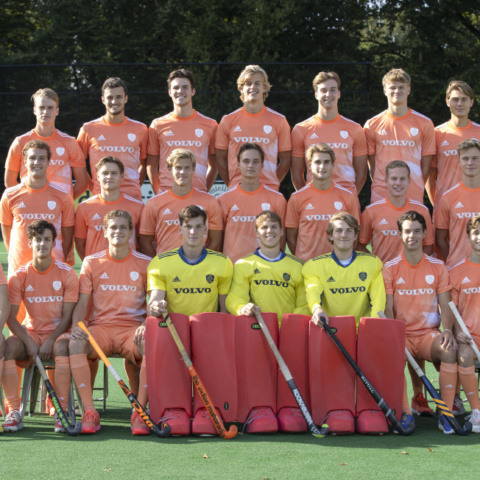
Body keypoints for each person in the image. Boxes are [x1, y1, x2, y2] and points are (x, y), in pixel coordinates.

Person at [147, 205, 233, 435]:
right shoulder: (160, 263)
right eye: (188, 227)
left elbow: (224, 309)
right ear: (180, 229)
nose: (193, 232)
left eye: (198, 227)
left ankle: (207, 410)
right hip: (174, 332)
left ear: (206, 230)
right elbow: (154, 301)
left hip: (207, 333)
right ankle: (175, 410)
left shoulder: (223, 263)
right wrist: (155, 306)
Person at [69, 210, 152, 435]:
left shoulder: (146, 263)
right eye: (113, 227)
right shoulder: (91, 262)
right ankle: (89, 411)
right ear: (105, 232)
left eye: (123, 227)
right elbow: (82, 302)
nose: (118, 231)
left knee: (150, 342)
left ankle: (140, 411)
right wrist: (77, 327)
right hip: (101, 330)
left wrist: (147, 324)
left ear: (131, 232)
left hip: (132, 330)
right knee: (75, 343)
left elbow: (153, 303)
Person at [384, 211, 458, 434]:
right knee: (392, 358)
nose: (412, 236)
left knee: (448, 351)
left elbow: (445, 304)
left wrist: (447, 331)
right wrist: (392, 336)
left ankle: (446, 413)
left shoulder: (437, 266)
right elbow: (388, 309)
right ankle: (406, 413)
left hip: (428, 334)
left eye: (417, 231)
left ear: (425, 233)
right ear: (400, 234)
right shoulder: (390, 268)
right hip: (402, 335)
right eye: (407, 231)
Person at [1, 221, 78, 433]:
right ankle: (14, 411)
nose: (42, 244)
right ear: (30, 243)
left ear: (54, 243)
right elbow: (10, 318)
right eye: (38, 240)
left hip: (59, 334)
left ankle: (61, 411)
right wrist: (28, 342)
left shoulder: (67, 273)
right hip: (32, 334)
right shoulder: (19, 276)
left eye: (47, 239)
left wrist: (51, 340)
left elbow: (68, 316)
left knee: (61, 348)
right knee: (9, 347)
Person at [0, 140, 75, 278]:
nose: (37, 162)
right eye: (32, 158)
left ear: (48, 162)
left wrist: (58, 260)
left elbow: (68, 236)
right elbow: (6, 233)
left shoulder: (63, 196)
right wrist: (16, 256)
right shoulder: (10, 195)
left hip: (52, 269)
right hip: (19, 269)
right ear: (25, 162)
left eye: (42, 158)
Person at [364, 68, 435, 204]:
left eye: (401, 87)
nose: (397, 91)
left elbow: (426, 165)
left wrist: (417, 184)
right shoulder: (372, 124)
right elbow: (372, 164)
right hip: (381, 193)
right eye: (392, 87)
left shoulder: (425, 123)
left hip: (413, 193)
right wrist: (382, 183)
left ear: (409, 90)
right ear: (385, 90)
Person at [215, 65, 291, 191]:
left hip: (268, 190)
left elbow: (286, 160)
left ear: (264, 87)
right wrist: (232, 184)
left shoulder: (279, 120)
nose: (252, 87)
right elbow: (220, 159)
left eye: (257, 83)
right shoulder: (228, 121)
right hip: (237, 189)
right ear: (241, 88)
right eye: (248, 83)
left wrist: (272, 183)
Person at [303, 212, 385, 326]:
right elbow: (313, 291)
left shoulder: (372, 263)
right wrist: (316, 309)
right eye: (339, 230)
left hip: (362, 328)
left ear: (355, 236)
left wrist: (374, 323)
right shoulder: (314, 266)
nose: (344, 235)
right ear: (331, 236)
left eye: (349, 230)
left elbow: (378, 299)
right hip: (329, 328)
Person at [290, 71, 368, 193]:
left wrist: (350, 197)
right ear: (316, 94)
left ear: (339, 93)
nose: (328, 94)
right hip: (314, 197)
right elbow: (296, 174)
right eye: (323, 90)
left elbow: (362, 173)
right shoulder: (301, 129)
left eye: (333, 90)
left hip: (345, 196)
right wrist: (306, 197)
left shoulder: (355, 129)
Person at [4, 88, 88, 199]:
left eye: (50, 108)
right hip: (30, 206)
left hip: (60, 208)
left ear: (57, 111)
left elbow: (82, 183)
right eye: (41, 107)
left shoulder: (69, 142)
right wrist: (25, 199)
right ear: (34, 110)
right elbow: (9, 181)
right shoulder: (20, 142)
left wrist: (64, 202)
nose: (45, 112)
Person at [139, 149, 223, 257]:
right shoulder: (154, 203)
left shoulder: (209, 201)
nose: (183, 172)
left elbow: (216, 241)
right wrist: (159, 262)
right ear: (169, 169)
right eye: (178, 168)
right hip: (166, 266)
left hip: (198, 265)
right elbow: (145, 242)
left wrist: (201, 262)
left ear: (193, 169)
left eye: (187, 168)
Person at [147, 69, 218, 194]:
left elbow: (214, 165)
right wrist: (160, 193)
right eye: (176, 88)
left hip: (197, 195)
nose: (180, 91)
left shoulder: (210, 125)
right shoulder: (157, 125)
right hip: (167, 193)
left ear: (193, 91)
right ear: (170, 92)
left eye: (185, 87)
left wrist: (203, 191)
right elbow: (151, 166)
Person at [77, 77, 148, 201]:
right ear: (103, 100)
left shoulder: (141, 129)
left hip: (132, 197)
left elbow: (144, 163)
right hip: (101, 196)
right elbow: (77, 163)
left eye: (119, 97)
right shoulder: (88, 128)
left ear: (126, 98)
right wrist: (92, 185)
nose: (114, 101)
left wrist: (135, 185)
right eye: (110, 97)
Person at [286, 143, 360, 262]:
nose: (322, 166)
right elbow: (291, 237)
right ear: (310, 165)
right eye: (317, 162)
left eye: (326, 162)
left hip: (338, 265)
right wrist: (303, 259)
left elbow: (354, 234)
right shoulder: (297, 198)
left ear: (333, 165)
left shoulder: (347, 197)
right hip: (307, 265)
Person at [218, 143, 287, 264]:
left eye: (255, 161)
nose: (250, 165)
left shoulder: (277, 198)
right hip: (233, 266)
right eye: (246, 161)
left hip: (265, 266)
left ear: (262, 165)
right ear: (238, 164)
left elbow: (282, 236)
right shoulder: (224, 199)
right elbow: (218, 237)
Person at [358, 160, 434, 262]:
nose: (398, 183)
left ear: (409, 181)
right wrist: (376, 264)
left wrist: (414, 265)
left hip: (410, 271)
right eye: (394, 179)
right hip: (382, 270)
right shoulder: (371, 211)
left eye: (402, 179)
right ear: (386, 181)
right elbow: (360, 245)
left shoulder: (422, 211)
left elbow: (428, 246)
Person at [75, 156, 144, 260]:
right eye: (105, 173)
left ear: (121, 176)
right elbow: (80, 244)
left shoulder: (137, 206)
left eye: (114, 173)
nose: (109, 177)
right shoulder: (84, 207)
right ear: (98, 177)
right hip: (96, 266)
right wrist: (91, 264)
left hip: (128, 266)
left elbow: (142, 242)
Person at [449, 214, 480, 432]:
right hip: (470, 337)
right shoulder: (457, 272)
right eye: (476, 233)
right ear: (468, 237)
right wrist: (457, 332)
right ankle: (477, 411)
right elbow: (451, 310)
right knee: (464, 356)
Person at [429, 81, 480, 208]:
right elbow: (430, 175)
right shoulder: (436, 133)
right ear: (447, 101)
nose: (459, 104)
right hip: (445, 205)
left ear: (471, 102)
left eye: (464, 99)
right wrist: (437, 204)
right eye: (455, 99)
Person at [435, 139, 480, 268]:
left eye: (475, 158)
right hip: (457, 269)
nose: (470, 163)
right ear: (459, 162)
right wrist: (454, 262)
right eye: (465, 159)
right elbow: (440, 239)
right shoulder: (448, 198)